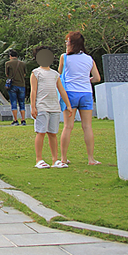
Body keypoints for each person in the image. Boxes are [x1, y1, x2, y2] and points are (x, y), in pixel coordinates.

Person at [58, 31, 102, 166]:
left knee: (68, 126)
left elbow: (60, 74)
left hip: (70, 93)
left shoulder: (64, 57)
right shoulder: (89, 59)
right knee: (87, 126)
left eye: (68, 41)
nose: (66, 44)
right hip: (86, 93)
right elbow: (97, 78)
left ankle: (64, 158)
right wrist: (86, 79)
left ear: (72, 44)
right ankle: (91, 159)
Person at [30, 46, 72, 168]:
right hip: (42, 106)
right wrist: (33, 107)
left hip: (54, 107)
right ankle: (39, 159)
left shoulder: (55, 74)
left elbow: (62, 90)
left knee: (53, 133)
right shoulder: (36, 73)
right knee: (41, 132)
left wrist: (68, 105)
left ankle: (55, 160)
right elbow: (33, 91)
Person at [5, 49, 28, 125]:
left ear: (10, 56)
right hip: (21, 85)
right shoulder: (23, 64)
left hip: (13, 85)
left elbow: (7, 75)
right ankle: (23, 119)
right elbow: (25, 74)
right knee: (22, 102)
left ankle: (15, 120)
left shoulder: (8, 63)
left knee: (14, 102)